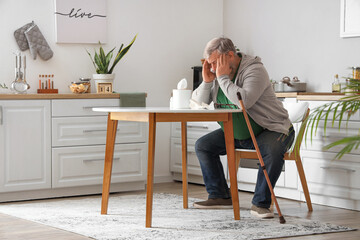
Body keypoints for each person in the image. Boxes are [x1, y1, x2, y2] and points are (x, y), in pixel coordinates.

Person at [192, 37, 294, 218]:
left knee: (273, 149)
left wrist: (222, 77)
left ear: (230, 55)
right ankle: (219, 196)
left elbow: (243, 101)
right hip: (238, 132)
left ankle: (260, 203)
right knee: (203, 145)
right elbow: (197, 103)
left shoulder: (255, 70)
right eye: (210, 64)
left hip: (270, 128)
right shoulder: (218, 74)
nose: (213, 68)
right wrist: (208, 81)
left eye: (215, 62)